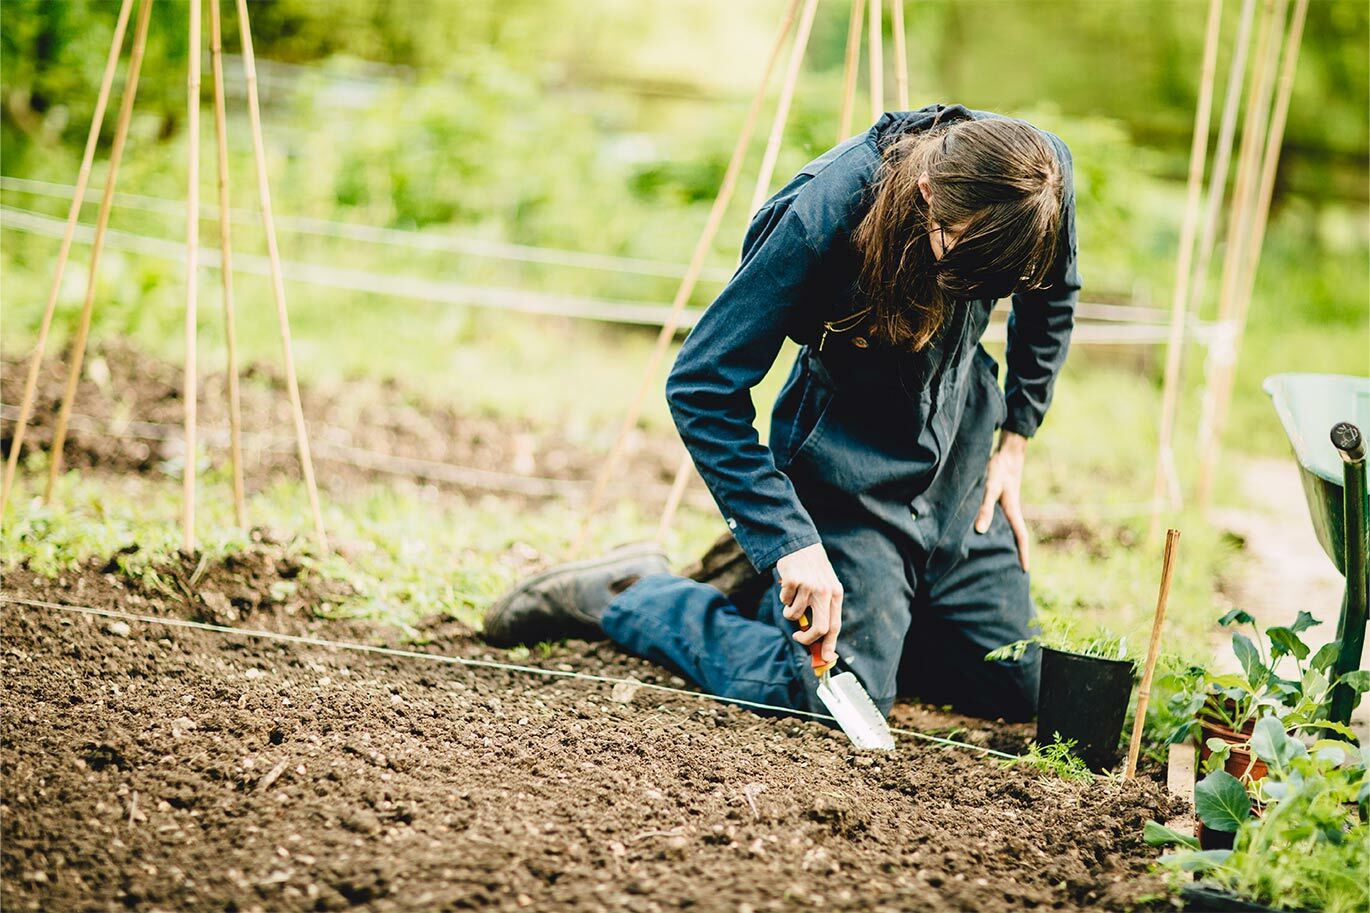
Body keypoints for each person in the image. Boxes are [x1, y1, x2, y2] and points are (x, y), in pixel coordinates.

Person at [483, 102, 1079, 724]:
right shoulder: (816, 220)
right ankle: (635, 594)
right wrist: (791, 543)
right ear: (927, 194)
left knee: (1020, 685)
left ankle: (875, 619)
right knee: (829, 703)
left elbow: (1054, 292)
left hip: (961, 464)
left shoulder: (1037, 180)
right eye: (961, 267)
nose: (974, 291)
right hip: (850, 474)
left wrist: (1016, 437)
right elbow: (701, 383)